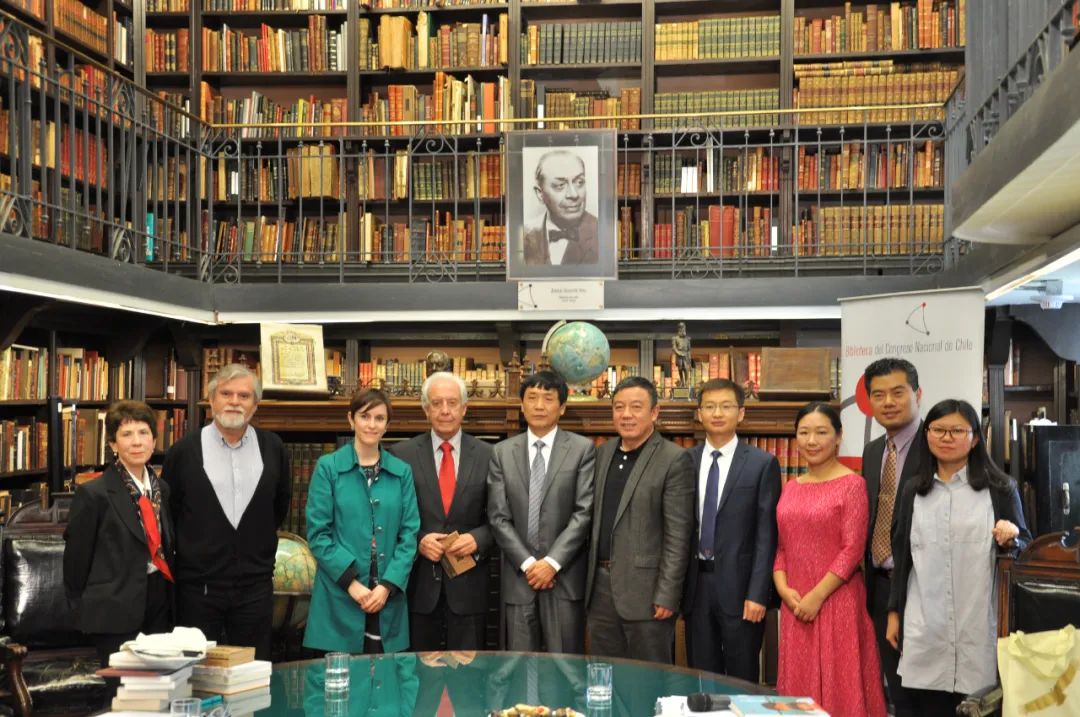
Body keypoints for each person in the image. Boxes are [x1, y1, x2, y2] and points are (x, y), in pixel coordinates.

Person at [886, 399, 1030, 716]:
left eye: (957, 431)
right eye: (938, 430)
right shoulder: (913, 491)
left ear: (975, 438)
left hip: (979, 628)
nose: (946, 437)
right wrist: (894, 612)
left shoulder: (999, 489)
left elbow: (1026, 548)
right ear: (926, 434)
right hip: (926, 627)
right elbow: (902, 556)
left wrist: (1012, 537)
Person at [162, 364, 290, 661]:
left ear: (255, 405)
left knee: (253, 670)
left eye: (244, 396)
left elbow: (278, 506)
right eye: (226, 393)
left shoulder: (273, 448)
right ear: (211, 400)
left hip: (255, 588)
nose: (234, 401)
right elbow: (170, 512)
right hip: (198, 590)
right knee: (195, 672)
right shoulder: (183, 451)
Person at [773, 402, 886, 717]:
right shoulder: (790, 488)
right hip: (795, 603)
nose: (811, 441)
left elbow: (852, 550)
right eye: (804, 433)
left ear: (838, 436)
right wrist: (783, 589)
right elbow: (782, 547)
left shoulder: (853, 485)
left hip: (836, 601)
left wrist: (817, 596)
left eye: (821, 432)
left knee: (841, 686)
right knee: (797, 690)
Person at [584, 376, 694, 663]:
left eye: (636, 407)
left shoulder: (674, 459)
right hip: (599, 590)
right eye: (619, 407)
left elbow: (678, 536)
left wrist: (667, 594)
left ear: (654, 412)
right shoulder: (603, 453)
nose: (626, 415)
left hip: (648, 593)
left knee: (648, 679)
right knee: (603, 675)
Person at [304, 389, 420, 654]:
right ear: (351, 419)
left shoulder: (402, 472)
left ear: (387, 425)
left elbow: (409, 534)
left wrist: (387, 586)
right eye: (364, 416)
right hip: (338, 596)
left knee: (387, 676)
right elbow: (319, 534)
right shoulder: (328, 467)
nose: (371, 424)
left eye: (379, 418)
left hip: (388, 598)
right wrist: (352, 584)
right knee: (339, 677)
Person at [487, 370, 596, 653]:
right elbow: (498, 517)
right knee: (520, 663)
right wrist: (528, 564)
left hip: (564, 577)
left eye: (548, 399)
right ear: (521, 405)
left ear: (562, 407)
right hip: (519, 577)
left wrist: (551, 563)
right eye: (532, 398)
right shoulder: (502, 452)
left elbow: (583, 512)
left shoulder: (582, 449)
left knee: (564, 665)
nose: (539, 406)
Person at [682, 378, 781, 682]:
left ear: (741, 413)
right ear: (699, 413)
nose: (717, 413)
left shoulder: (762, 464)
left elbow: (767, 536)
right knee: (701, 677)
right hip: (695, 588)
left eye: (726, 406)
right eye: (709, 406)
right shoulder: (685, 461)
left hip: (742, 591)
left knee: (742, 678)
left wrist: (758, 594)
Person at [64, 400, 174, 667]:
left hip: (159, 603)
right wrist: (83, 609)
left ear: (154, 441)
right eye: (126, 434)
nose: (136, 442)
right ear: (113, 444)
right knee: (124, 688)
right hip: (114, 609)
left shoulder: (162, 489)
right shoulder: (94, 494)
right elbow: (76, 563)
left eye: (143, 432)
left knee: (158, 686)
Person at [388, 372, 494, 651]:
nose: (445, 410)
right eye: (436, 403)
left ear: (464, 408)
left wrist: (478, 539)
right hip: (419, 585)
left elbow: (500, 517)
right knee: (419, 672)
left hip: (470, 585)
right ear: (426, 409)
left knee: (470, 672)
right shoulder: (401, 455)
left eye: (452, 402)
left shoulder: (489, 455)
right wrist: (419, 540)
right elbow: (391, 518)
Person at [861, 357, 924, 717]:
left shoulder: (937, 444)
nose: (888, 402)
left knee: (926, 694)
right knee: (896, 691)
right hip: (880, 587)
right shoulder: (873, 451)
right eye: (878, 394)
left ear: (918, 394)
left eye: (898, 393)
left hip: (921, 587)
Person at [523, 150, 599, 266]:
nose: (573, 194)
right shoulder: (525, 234)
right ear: (540, 194)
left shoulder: (602, 232)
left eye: (579, 182)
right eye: (560, 185)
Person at [671, 322, 692, 388]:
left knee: (686, 369)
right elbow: (674, 348)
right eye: (681, 328)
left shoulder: (687, 339)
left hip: (686, 356)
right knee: (680, 369)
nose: (682, 329)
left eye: (683, 328)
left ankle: (686, 382)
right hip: (679, 356)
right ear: (679, 329)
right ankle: (682, 381)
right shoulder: (675, 338)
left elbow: (689, 349)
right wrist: (679, 353)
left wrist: (689, 359)